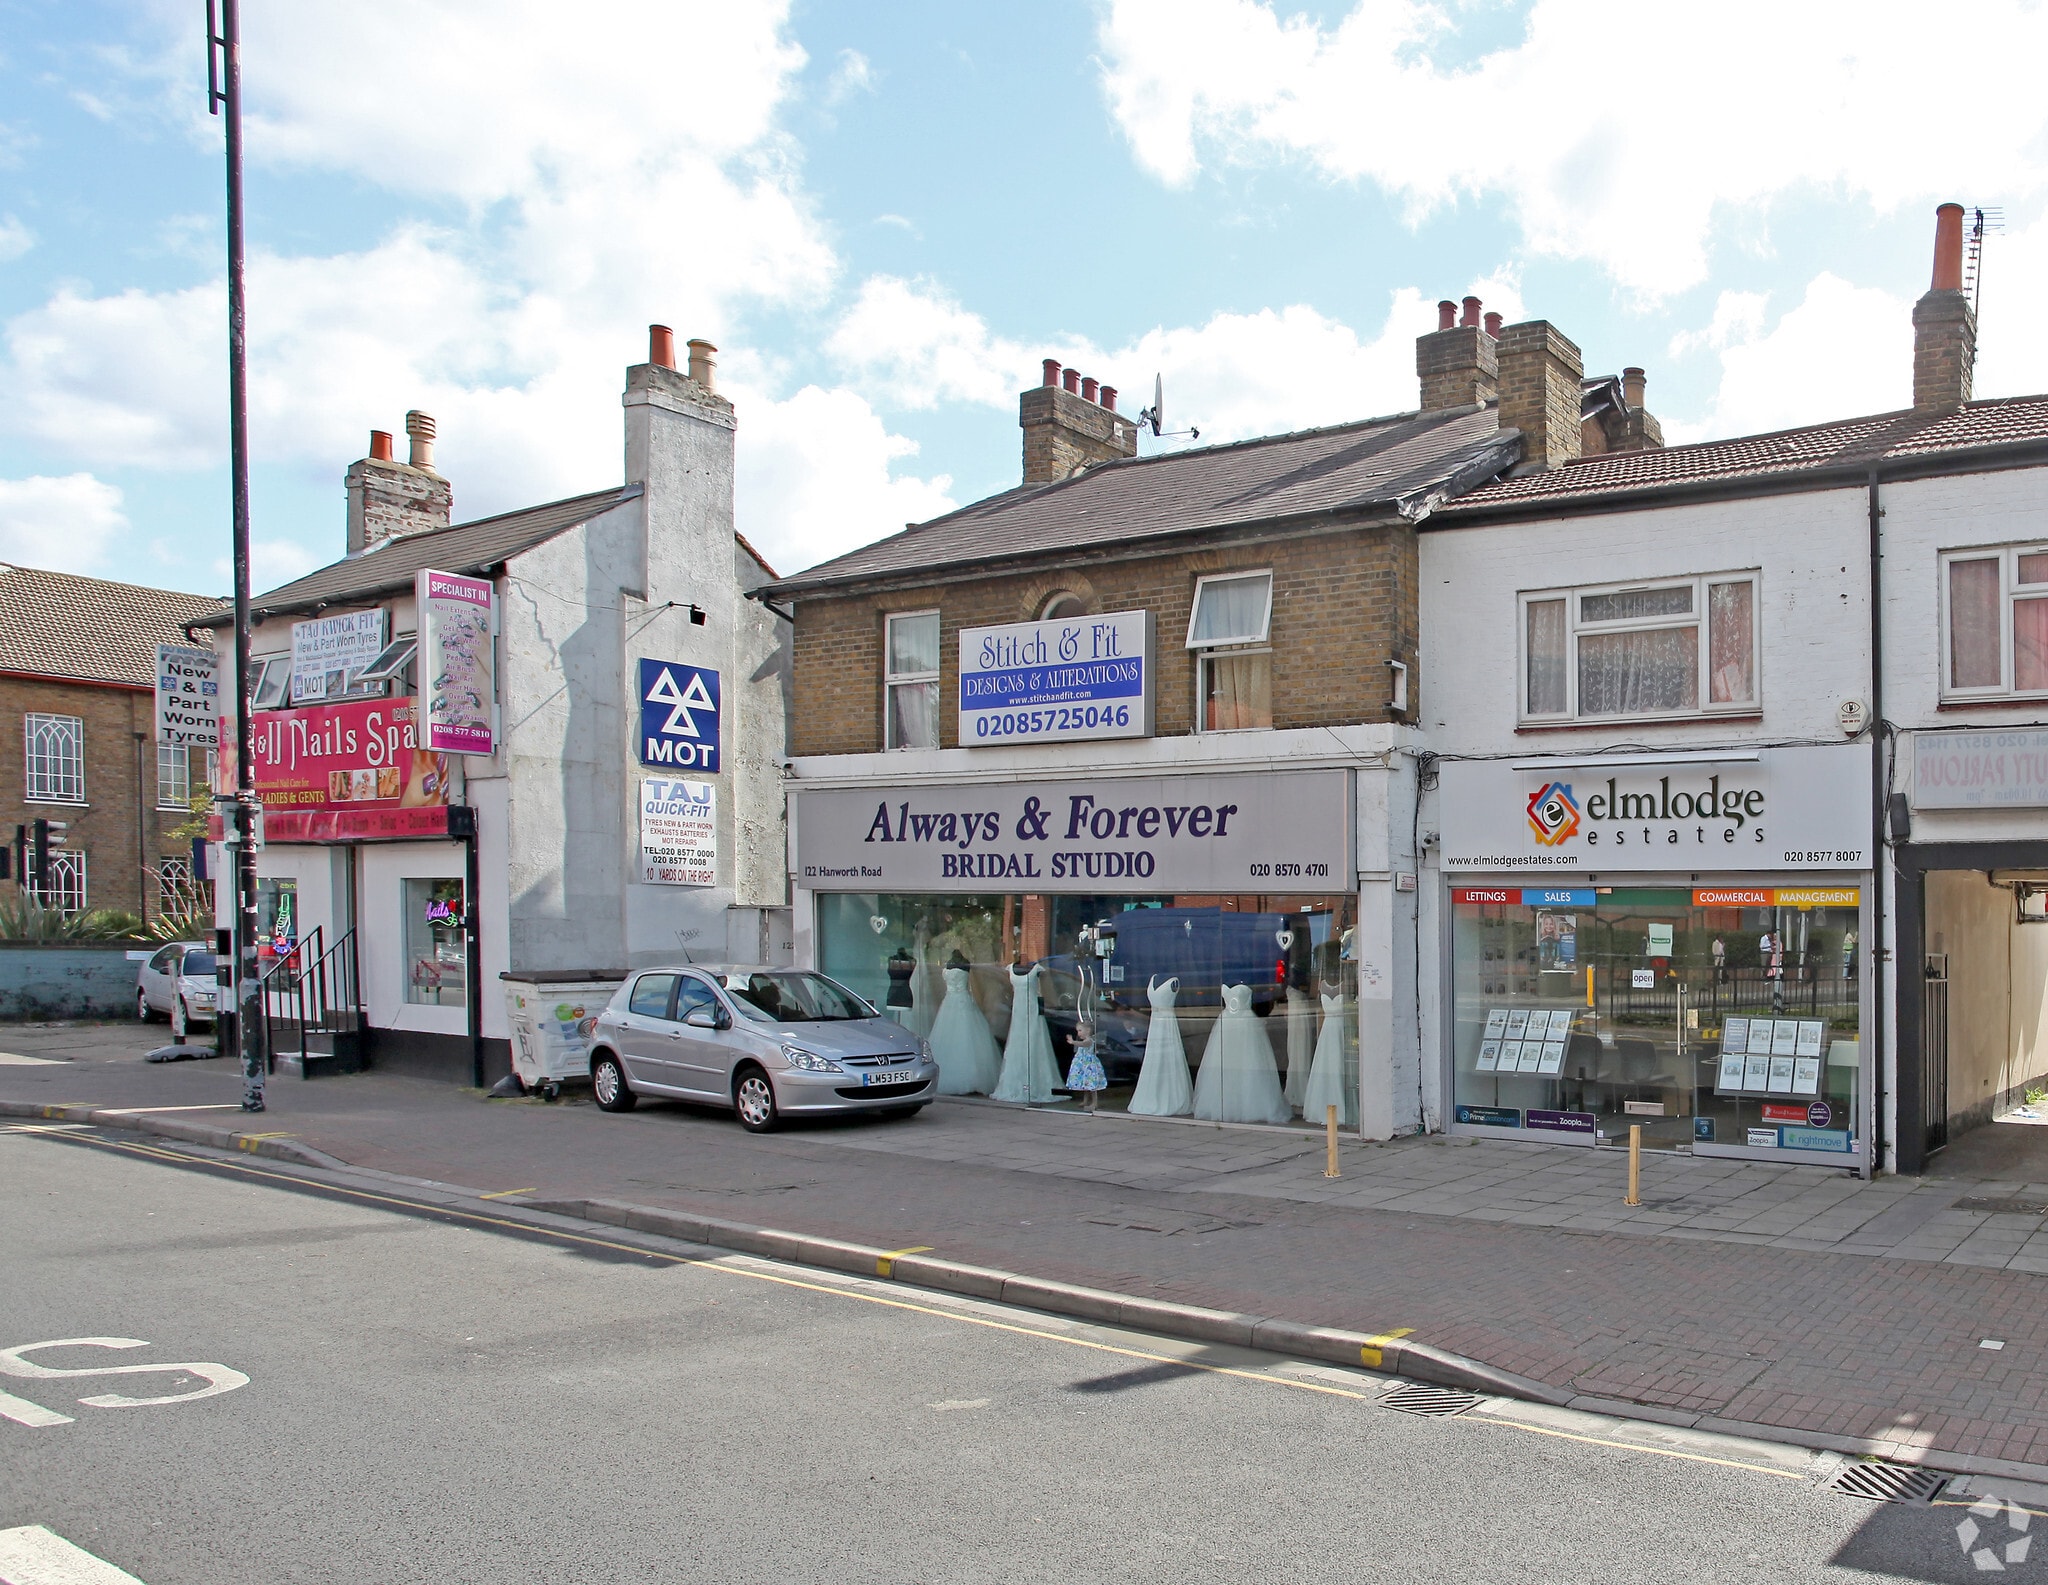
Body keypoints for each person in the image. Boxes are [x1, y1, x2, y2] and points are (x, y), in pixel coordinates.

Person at [1063, 1017, 1108, 1114]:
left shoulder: (1089, 1040)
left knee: (1091, 1084)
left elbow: (1083, 1044)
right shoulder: (1086, 1040)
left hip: (1088, 1065)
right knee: (1085, 1083)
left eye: (1080, 1030)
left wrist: (1073, 1042)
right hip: (1083, 1065)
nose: (1078, 1033)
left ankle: (1094, 1102)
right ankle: (1085, 1100)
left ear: (1087, 1031)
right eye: (1077, 1031)